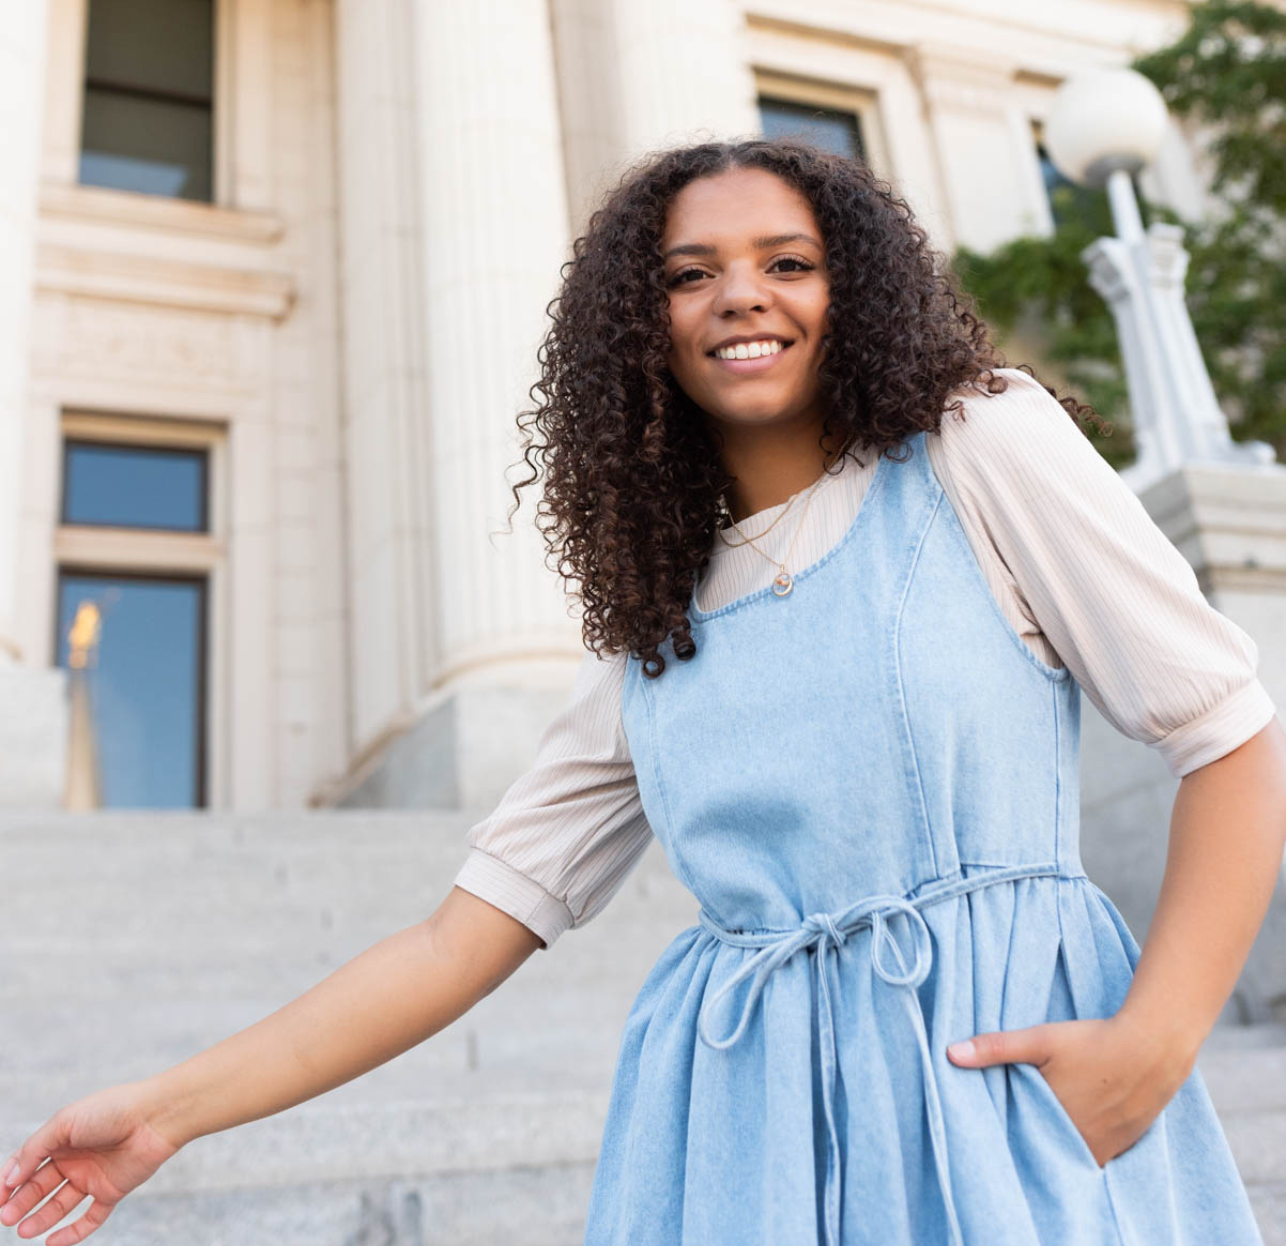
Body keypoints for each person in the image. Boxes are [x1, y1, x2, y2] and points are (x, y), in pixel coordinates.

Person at [3, 137, 1285, 1246]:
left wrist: (1156, 1041)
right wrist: (163, 1114)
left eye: (788, 262)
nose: (742, 295)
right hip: (746, 1147)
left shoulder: (975, 445)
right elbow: (455, 944)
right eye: (690, 273)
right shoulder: (651, 628)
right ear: (640, 325)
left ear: (855, 291)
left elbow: (1226, 730)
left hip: (1002, 1089)